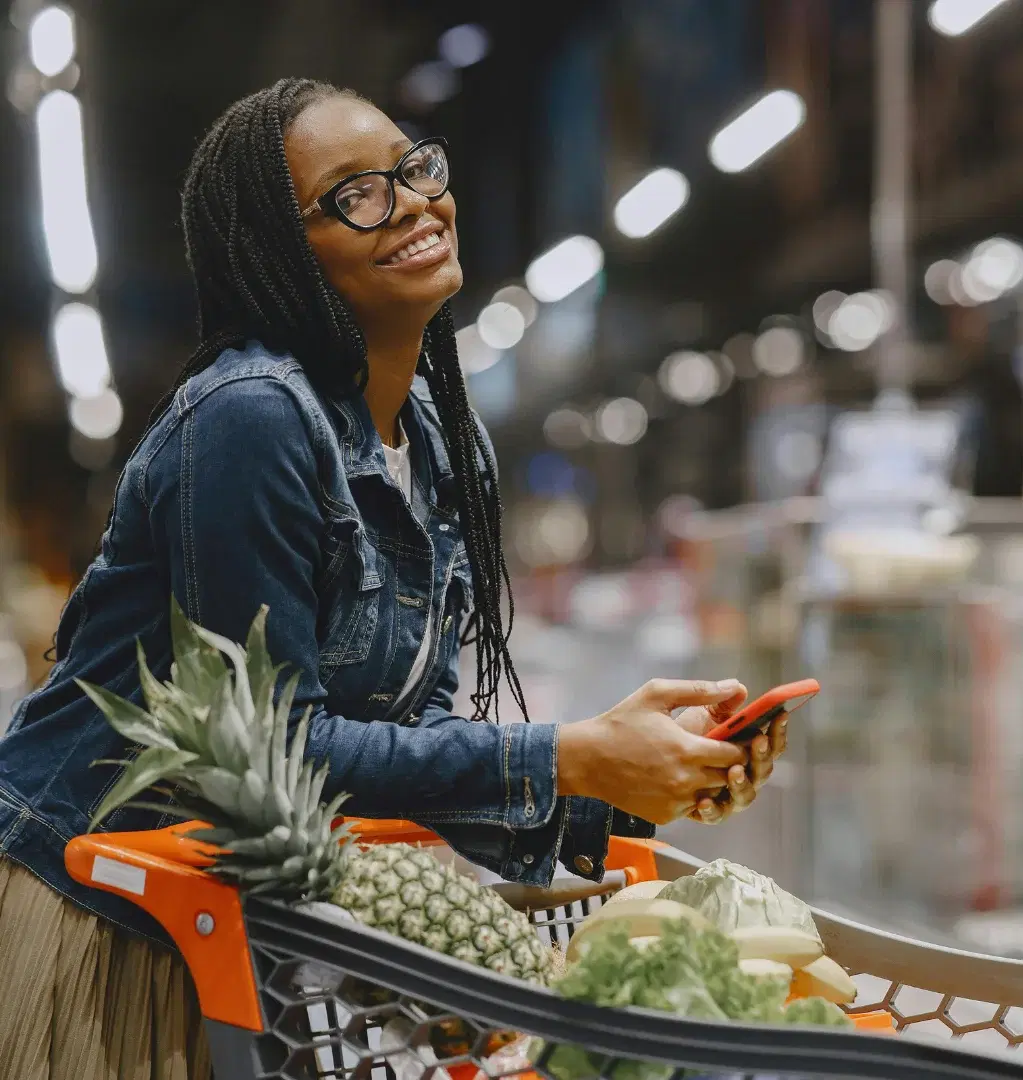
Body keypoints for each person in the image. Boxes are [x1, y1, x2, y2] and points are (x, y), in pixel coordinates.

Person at [0, 79, 786, 1079]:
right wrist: (570, 758)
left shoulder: (444, 444)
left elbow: (406, 739)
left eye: (414, 169)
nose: (414, 201)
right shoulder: (249, 420)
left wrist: (632, 780)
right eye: (357, 194)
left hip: (254, 943)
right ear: (277, 250)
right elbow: (277, 752)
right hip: (106, 916)